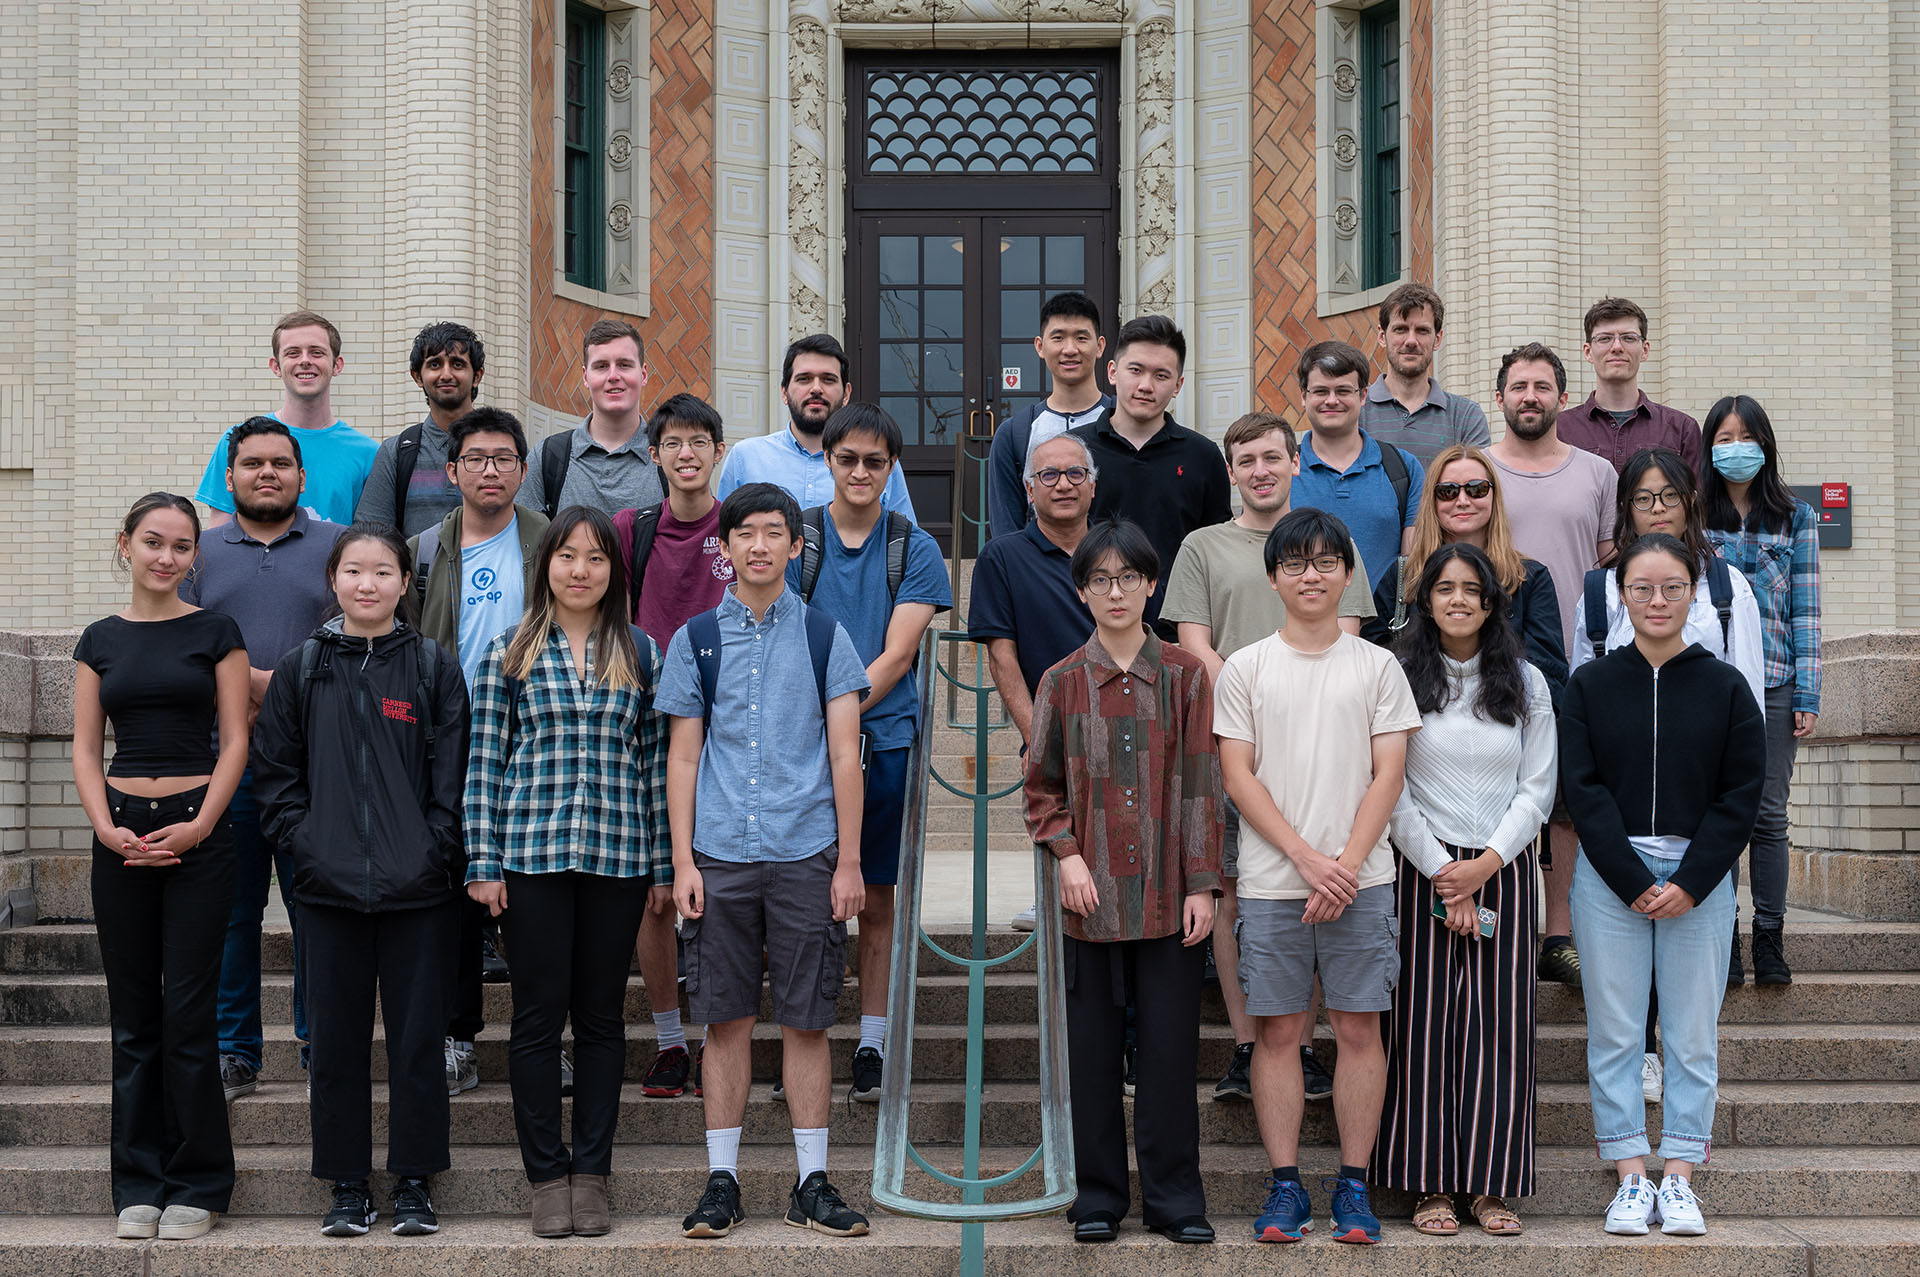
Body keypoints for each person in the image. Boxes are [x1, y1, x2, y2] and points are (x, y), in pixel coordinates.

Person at [655, 483, 874, 1241]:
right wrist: (682, 859)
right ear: (722, 548)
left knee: (808, 1019)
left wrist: (849, 862)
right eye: (742, 533)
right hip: (719, 854)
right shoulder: (695, 640)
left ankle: (812, 1181)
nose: (757, 545)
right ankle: (724, 1180)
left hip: (804, 848)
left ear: (794, 545)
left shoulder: (823, 635)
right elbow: (682, 758)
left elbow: (848, 754)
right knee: (726, 1019)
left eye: (772, 532)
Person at [252, 524, 470, 1239]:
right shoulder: (301, 668)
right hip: (326, 889)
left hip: (418, 891)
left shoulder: (435, 668)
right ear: (334, 580)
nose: (367, 583)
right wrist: (305, 846)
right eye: (353, 570)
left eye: (383, 571)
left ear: (406, 582)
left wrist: (436, 850)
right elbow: (276, 778)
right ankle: (347, 1183)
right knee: (335, 1044)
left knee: (416, 1043)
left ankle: (414, 1180)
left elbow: (452, 781)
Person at [1213, 507, 1421, 1246]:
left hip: (1363, 883)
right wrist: (1306, 859)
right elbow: (1239, 777)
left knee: (1360, 1028)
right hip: (1274, 882)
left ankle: (1355, 1188)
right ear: (1273, 577)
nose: (1311, 574)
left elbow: (1389, 773)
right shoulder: (1245, 666)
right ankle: (1286, 1186)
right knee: (1278, 1034)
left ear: (1347, 575)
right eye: (1295, 563)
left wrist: (1346, 865)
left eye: (1326, 562)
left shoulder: (1377, 666)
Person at [463, 508, 669, 1238]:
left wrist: (664, 866)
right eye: (567, 556)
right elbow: (483, 765)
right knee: (537, 1020)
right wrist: (482, 863)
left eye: (596, 558)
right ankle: (546, 1175)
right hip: (532, 858)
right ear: (545, 563)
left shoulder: (641, 651)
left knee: (605, 1020)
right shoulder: (509, 652)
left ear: (615, 570)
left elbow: (653, 767)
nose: (580, 569)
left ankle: (593, 1172)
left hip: (618, 858)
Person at [1160, 411, 1374, 1104]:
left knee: (1314, 883)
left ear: (1294, 463)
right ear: (1232, 471)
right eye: (1246, 458)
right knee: (1230, 888)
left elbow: (1345, 629)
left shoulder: (1328, 542)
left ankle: (1304, 1046)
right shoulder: (1203, 546)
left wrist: (1288, 701)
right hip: (1229, 742)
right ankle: (1249, 1040)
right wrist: (1251, 706)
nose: (1260, 469)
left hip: (1320, 745)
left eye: (1272, 457)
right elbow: (1192, 642)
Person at [1024, 520, 1223, 1246]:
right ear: (1082, 591)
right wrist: (1069, 854)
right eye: (1101, 579)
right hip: (1091, 901)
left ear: (1151, 585)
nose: (1116, 590)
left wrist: (1203, 882)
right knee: (1094, 1056)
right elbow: (1040, 788)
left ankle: (1174, 1199)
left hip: (1171, 900)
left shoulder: (1185, 675)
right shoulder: (1061, 682)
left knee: (1170, 1057)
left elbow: (1204, 782)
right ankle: (1097, 1195)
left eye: (1129, 577)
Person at [1560, 533, 1764, 1238]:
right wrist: (1626, 875)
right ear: (1621, 594)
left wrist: (1697, 878)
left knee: (1690, 1033)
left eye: (1672, 587)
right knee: (1615, 1031)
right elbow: (1580, 789)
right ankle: (1628, 1174)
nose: (1656, 599)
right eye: (1642, 587)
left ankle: (1679, 1173)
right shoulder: (1591, 684)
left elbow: (1741, 793)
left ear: (1692, 594)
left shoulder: (1725, 685)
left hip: (1698, 877)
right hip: (1611, 875)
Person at [75, 493, 248, 1242]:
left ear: (193, 556)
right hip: (121, 838)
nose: (167, 555)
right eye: (154, 541)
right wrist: (107, 828)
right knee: (134, 1017)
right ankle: (137, 1183)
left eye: (181, 545)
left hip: (199, 836)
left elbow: (236, 738)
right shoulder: (99, 638)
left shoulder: (216, 630)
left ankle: (199, 1182)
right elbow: (84, 746)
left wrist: (202, 823)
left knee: (189, 1015)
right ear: (126, 545)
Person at [1570, 446, 1764, 1093]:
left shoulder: (1725, 587)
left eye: (1669, 496)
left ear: (1689, 504)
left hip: (1697, 805)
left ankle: (1677, 1095)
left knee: (1689, 963)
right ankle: (1642, 1060)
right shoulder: (1600, 590)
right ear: (1625, 508)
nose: (1657, 509)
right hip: (1619, 806)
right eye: (1643, 497)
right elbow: (1581, 700)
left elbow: (1749, 706)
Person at [1375, 544, 1555, 1237]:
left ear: (1491, 602)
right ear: (1425, 599)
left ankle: (1488, 1184)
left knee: (1499, 1030)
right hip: (1419, 865)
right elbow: (1388, 787)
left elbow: (1537, 787)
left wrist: (1483, 865)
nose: (1457, 599)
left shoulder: (1527, 682)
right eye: (1444, 588)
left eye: (1471, 590)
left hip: (1501, 867)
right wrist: (1442, 871)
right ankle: (1427, 1185)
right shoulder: (1398, 677)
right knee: (1421, 1029)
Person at [788, 404, 952, 1100]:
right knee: (803, 897)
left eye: (874, 461)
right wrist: (824, 719)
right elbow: (785, 632)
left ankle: (873, 1044)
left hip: (883, 740)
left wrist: (844, 711)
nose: (860, 471)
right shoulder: (798, 537)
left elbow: (899, 650)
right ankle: (807, 1040)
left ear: (891, 469)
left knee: (877, 896)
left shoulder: (912, 546)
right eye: (847, 458)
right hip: (801, 743)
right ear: (827, 460)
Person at [180, 419, 345, 1102]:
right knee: (231, 910)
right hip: (225, 764)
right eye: (252, 463)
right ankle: (235, 1050)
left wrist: (260, 682)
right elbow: (177, 644)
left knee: (316, 909)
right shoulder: (200, 554)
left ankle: (318, 1042)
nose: (267, 473)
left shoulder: (338, 546)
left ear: (302, 478)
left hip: (316, 763)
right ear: (231, 476)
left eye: (281, 462)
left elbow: (354, 637)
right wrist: (248, 685)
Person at [411, 405, 551, 1095]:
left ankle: (544, 1038)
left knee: (534, 902)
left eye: (503, 458)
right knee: (451, 903)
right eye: (476, 458)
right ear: (453, 469)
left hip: (535, 741)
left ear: (523, 471)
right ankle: (456, 1037)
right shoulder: (425, 550)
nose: (490, 468)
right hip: (444, 743)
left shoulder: (551, 543)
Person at [611, 392, 732, 1100]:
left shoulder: (740, 524)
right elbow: (614, 616)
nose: (687, 453)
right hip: (652, 726)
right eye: (673, 442)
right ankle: (667, 1040)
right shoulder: (634, 527)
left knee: (721, 883)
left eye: (700, 441)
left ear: (720, 450)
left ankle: (722, 1029)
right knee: (656, 894)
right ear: (653, 454)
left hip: (731, 728)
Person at [1486, 342, 1617, 994]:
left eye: (1542, 386)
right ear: (1501, 397)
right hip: (1483, 660)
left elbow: (1607, 564)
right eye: (1519, 386)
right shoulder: (1476, 470)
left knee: (1565, 802)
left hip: (1575, 659)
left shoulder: (1596, 473)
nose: (1530, 396)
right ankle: (1499, 920)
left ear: (1562, 397)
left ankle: (1557, 932)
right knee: (1497, 795)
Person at [1700, 396, 1821, 985]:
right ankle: (1722, 938)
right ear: (1708, 446)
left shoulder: (1794, 516)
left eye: (1745, 436)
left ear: (1765, 445)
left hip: (1774, 684)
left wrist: (1808, 693)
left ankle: (1769, 936)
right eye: (1723, 437)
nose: (1735, 447)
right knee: (1718, 813)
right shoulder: (1695, 516)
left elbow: (1806, 609)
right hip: (1709, 687)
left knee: (1769, 816)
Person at [967, 431, 1098, 930]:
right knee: (1056, 818)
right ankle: (1045, 897)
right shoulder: (1002, 557)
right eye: (1048, 475)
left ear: (1092, 486)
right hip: (1053, 721)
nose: (1062, 484)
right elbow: (1002, 656)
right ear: (1028, 489)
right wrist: (1035, 736)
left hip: (1125, 714)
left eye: (1075, 474)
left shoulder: (1118, 548)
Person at [1367, 445, 1568, 703]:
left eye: (1477, 489)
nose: (1463, 500)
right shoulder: (1403, 577)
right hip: (1420, 723)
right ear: (1432, 500)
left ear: (1494, 496)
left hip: (1504, 719)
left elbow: (1550, 676)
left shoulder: (1528, 577)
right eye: (1448, 492)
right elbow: (1375, 667)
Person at [1070, 314, 1231, 636]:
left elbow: (1215, 551)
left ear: (1178, 386)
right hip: (1085, 627)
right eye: (1136, 370)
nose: (1146, 385)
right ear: (1113, 372)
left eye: (1161, 375)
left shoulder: (1202, 456)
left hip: (1177, 633)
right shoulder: (1075, 451)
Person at [194, 311, 378, 526]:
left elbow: (369, 538)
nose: (305, 361)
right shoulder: (238, 441)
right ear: (276, 366)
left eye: (316, 352)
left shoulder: (368, 454)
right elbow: (220, 535)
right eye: (293, 353)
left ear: (337, 365)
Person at [716, 334, 916, 518]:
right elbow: (724, 541)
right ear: (784, 392)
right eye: (804, 379)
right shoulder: (745, 458)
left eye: (828, 380)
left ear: (846, 393)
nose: (816, 389)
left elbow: (905, 539)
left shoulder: (876, 462)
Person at [1288, 341, 1425, 594]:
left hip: (1382, 630)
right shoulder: (1283, 470)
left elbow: (1413, 564)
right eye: (1320, 391)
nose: (1331, 400)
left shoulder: (1403, 469)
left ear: (1363, 396)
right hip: (1299, 627)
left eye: (1343, 390)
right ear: (1303, 397)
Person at [987, 291, 1114, 538]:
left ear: (1099, 346)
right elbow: (1006, 532)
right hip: (1036, 572)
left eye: (1081, 337)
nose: (1069, 349)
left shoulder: (1121, 422)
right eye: (1058, 337)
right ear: (1040, 346)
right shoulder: (1015, 433)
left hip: (1113, 572)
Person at [354, 322, 487, 536]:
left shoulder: (503, 450)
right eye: (435, 365)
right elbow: (371, 537)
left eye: (458, 364)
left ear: (477, 376)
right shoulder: (395, 452)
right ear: (417, 377)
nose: (446, 374)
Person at [524, 319, 666, 518]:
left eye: (624, 365)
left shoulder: (669, 457)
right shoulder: (547, 458)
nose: (613, 375)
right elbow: (527, 544)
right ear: (585, 377)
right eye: (601, 366)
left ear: (643, 374)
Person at [1555, 298, 1702, 477]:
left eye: (1628, 338)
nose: (1617, 347)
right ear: (1588, 352)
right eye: (1605, 338)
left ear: (1645, 350)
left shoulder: (1682, 429)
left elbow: (1694, 502)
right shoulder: (1559, 429)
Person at [1360, 283, 1491, 465]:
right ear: (1382, 336)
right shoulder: (1356, 410)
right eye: (1401, 329)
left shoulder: (1465, 416)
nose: (1411, 341)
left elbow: (1475, 488)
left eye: (1422, 331)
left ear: (1437, 339)